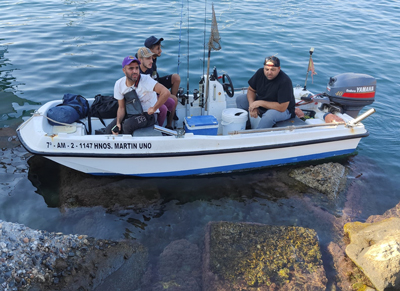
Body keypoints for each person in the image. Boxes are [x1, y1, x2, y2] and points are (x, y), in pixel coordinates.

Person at [105, 56, 170, 135]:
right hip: (131, 112)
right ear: (124, 70)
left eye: (136, 68)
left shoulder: (146, 80)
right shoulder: (119, 84)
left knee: (127, 125)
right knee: (109, 130)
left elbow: (165, 92)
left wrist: (154, 108)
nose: (135, 71)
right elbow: (121, 107)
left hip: (148, 114)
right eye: (131, 68)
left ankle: (127, 144)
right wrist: (118, 123)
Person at [236, 56, 296, 129]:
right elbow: (251, 90)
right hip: (263, 101)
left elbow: (282, 107)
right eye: (266, 69)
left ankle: (257, 134)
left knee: (269, 116)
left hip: (283, 109)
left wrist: (259, 103)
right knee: (240, 99)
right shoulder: (260, 73)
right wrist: (252, 106)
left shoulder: (285, 81)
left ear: (279, 69)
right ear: (264, 67)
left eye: (273, 70)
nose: (269, 73)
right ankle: (246, 126)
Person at [136, 46, 176, 129]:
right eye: (148, 58)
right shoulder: (137, 74)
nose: (151, 61)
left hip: (151, 95)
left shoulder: (149, 68)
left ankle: (164, 124)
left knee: (172, 103)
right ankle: (157, 130)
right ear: (140, 60)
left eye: (151, 58)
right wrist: (154, 107)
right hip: (142, 101)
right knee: (163, 109)